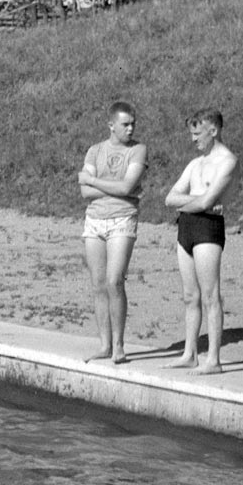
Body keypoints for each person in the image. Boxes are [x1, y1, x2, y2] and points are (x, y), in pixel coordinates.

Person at [164, 108, 238, 375]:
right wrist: (200, 203)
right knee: (189, 296)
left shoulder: (227, 161)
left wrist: (200, 203)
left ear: (213, 130)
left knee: (210, 295)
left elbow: (209, 201)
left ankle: (214, 360)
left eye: (197, 134)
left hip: (208, 230)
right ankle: (190, 353)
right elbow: (170, 198)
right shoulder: (195, 164)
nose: (193, 140)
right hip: (186, 227)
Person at [77, 101, 146, 363]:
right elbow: (85, 193)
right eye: (125, 124)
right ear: (111, 125)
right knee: (98, 284)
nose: (130, 128)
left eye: (133, 124)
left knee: (114, 280)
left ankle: (119, 345)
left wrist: (94, 181)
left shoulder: (138, 150)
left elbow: (128, 187)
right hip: (95, 220)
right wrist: (114, 187)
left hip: (122, 218)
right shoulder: (95, 151)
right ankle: (104, 344)